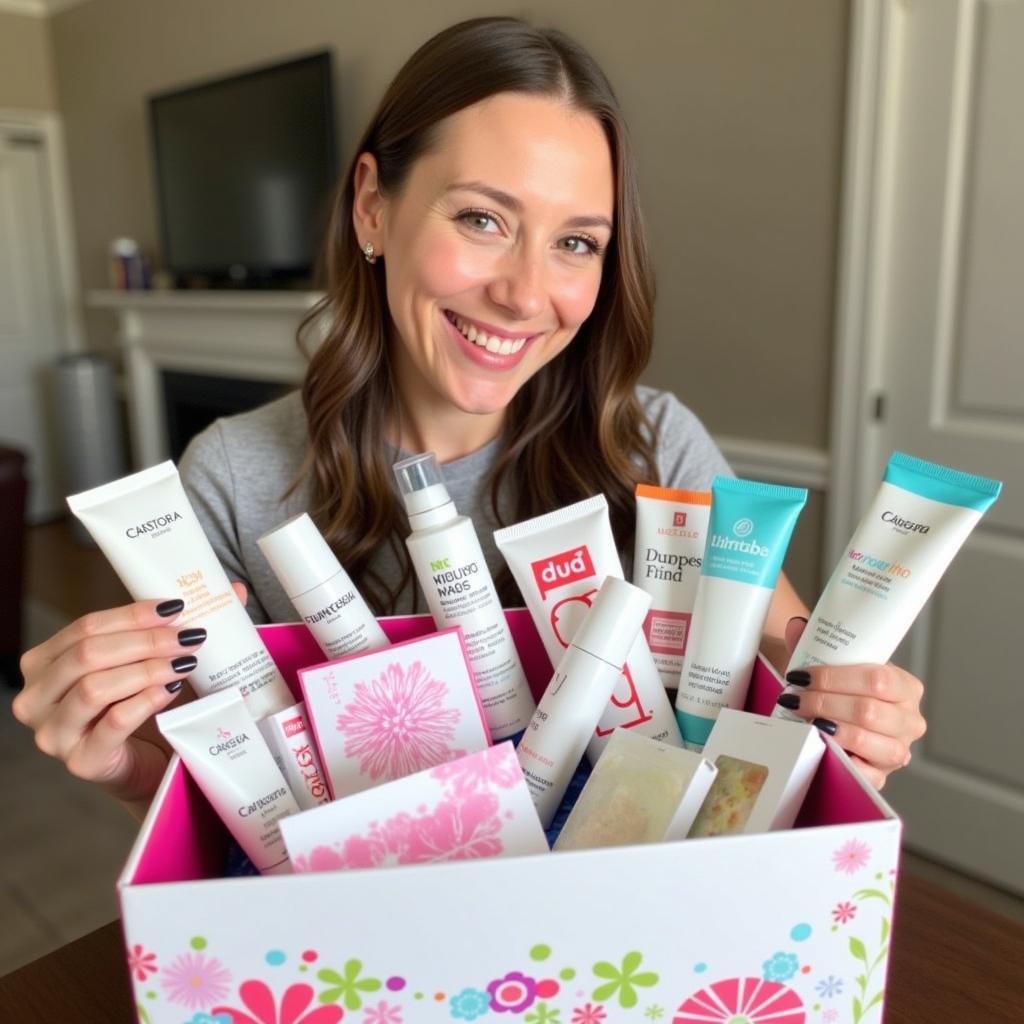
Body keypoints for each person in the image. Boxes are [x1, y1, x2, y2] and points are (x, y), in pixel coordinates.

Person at [13, 17, 925, 817]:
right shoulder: (237, 479)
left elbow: (791, 689)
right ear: (374, 206)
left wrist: (856, 721)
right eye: (483, 219)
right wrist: (130, 770)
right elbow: (235, 827)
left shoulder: (657, 446)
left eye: (576, 242)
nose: (527, 293)